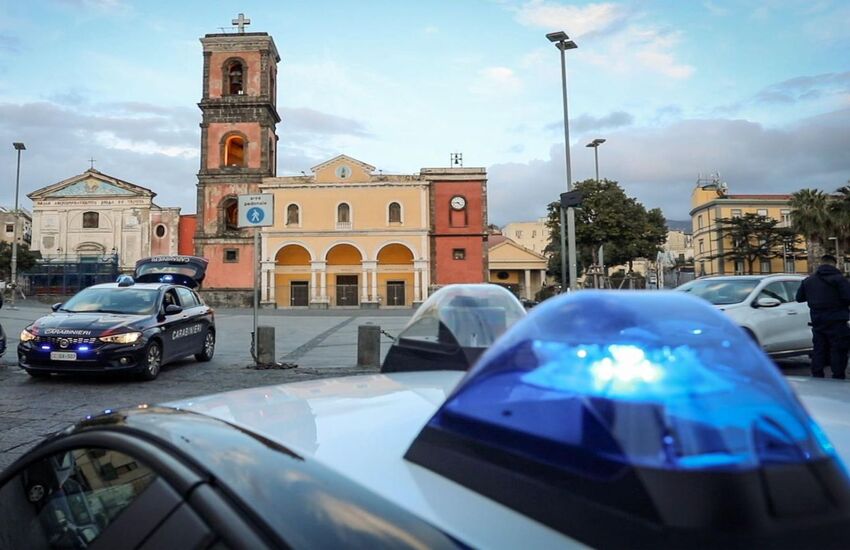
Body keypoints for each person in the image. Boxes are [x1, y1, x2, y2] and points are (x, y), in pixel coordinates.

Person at [796, 254, 850, 379]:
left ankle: (817, 374)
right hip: (837, 320)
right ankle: (838, 376)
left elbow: (799, 298)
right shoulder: (840, 280)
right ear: (834, 264)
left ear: (821, 263)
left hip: (817, 320)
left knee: (819, 349)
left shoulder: (808, 280)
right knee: (838, 349)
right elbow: (848, 297)